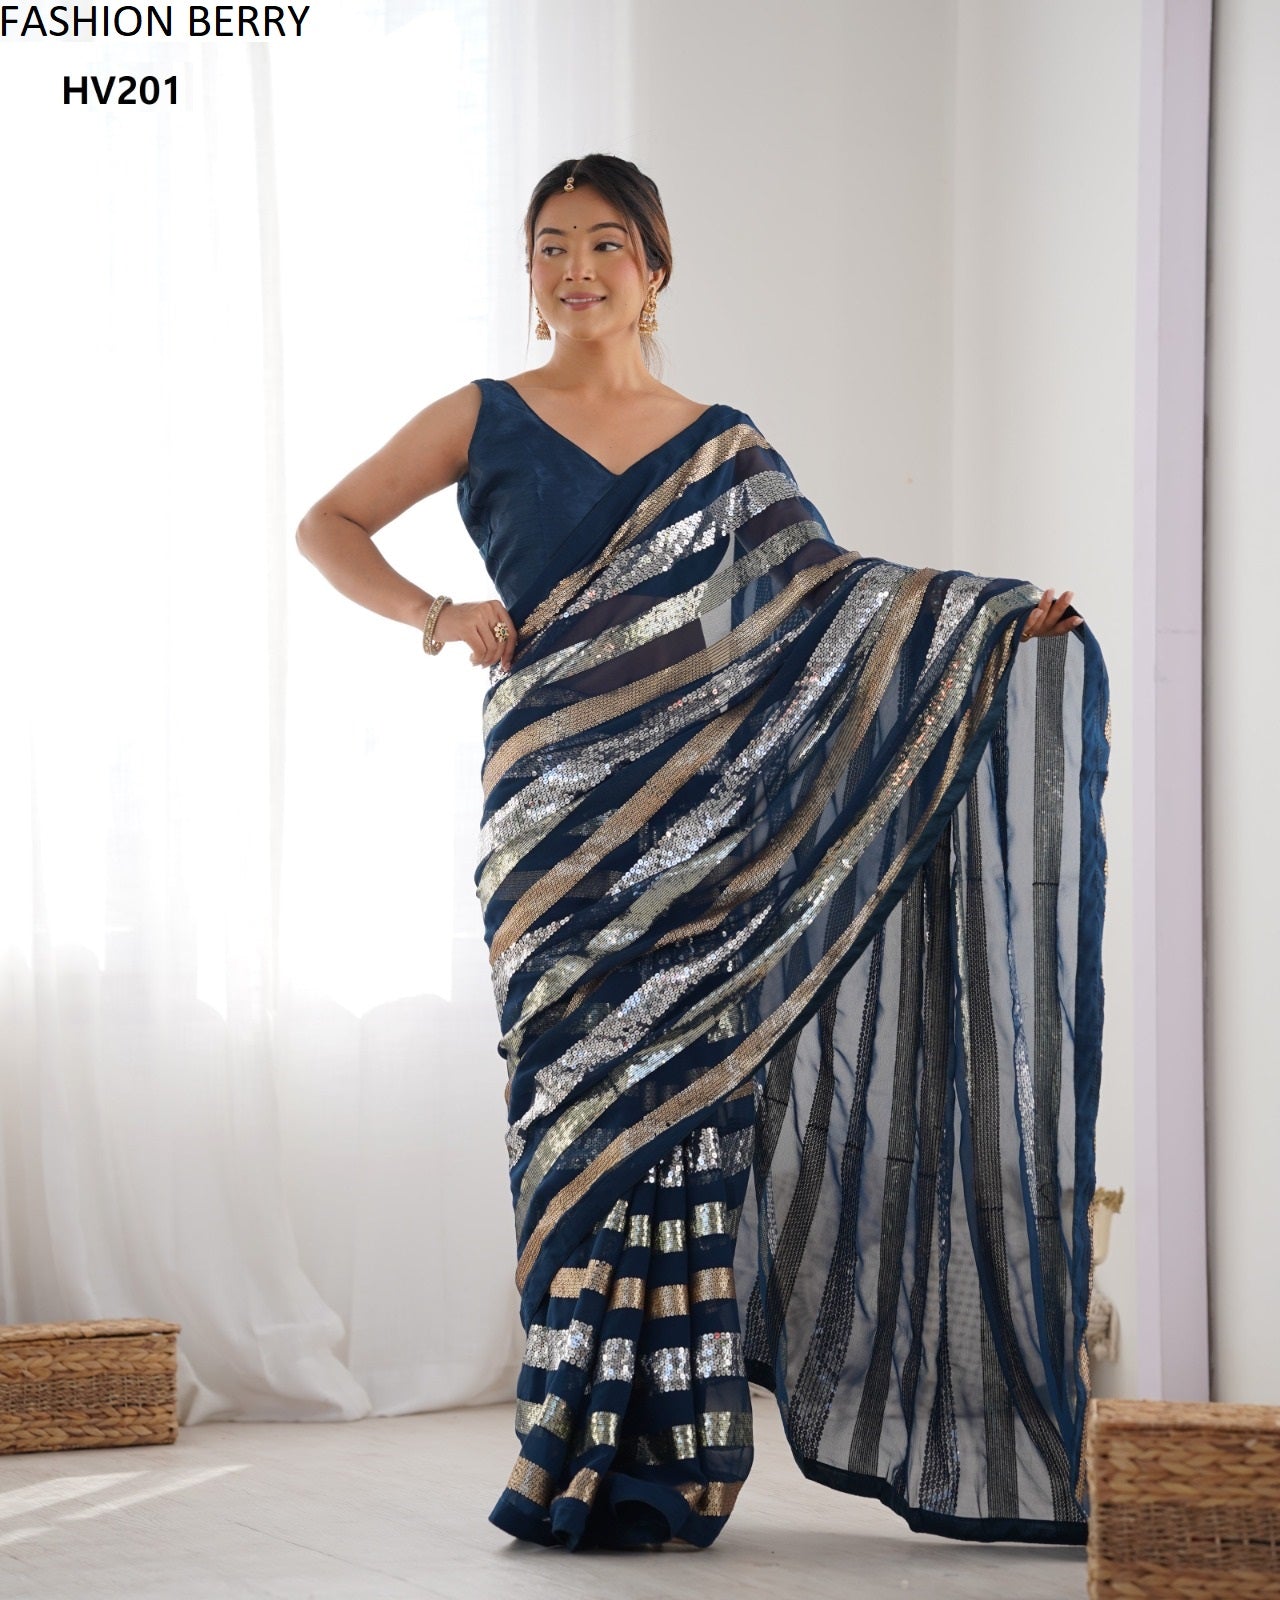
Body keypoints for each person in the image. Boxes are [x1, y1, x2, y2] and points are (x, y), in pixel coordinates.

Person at [296, 152, 1108, 1555]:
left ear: (655, 268)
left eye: (606, 243)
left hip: (695, 846)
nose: (577, 269)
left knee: (683, 1117)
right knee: (569, 1118)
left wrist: (989, 624)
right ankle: (569, 1453)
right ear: (529, 273)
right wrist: (439, 613)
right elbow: (329, 524)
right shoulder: (483, 415)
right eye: (552, 246)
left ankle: (672, 1464)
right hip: (551, 830)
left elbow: (830, 601)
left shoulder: (721, 446)